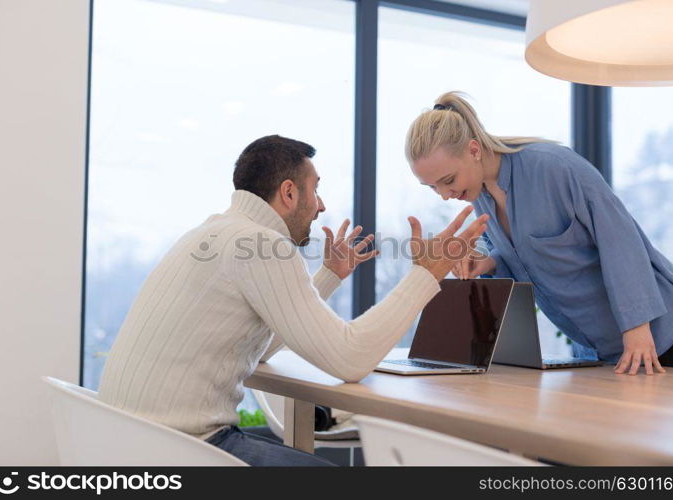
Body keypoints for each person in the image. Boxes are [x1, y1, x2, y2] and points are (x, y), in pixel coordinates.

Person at [98, 134, 488, 466]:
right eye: (315, 189)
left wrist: (329, 276)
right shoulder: (263, 244)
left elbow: (258, 346)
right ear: (288, 192)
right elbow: (350, 359)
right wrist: (426, 273)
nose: (321, 206)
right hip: (183, 450)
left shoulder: (213, 232)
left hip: (123, 443)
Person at [405, 91, 673, 376]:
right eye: (432, 187)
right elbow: (520, 257)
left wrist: (637, 327)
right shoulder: (478, 196)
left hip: (662, 336)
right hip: (601, 352)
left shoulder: (556, 167)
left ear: (474, 150)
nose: (444, 195)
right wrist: (485, 262)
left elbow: (620, 240)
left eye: (448, 181)